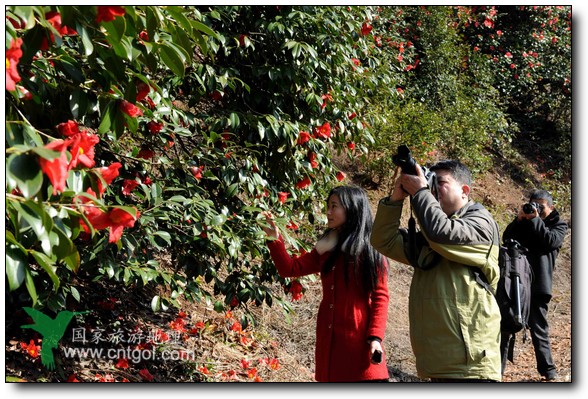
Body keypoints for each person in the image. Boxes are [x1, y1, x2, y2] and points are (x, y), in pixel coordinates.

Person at [370, 160, 502, 382]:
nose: (433, 189)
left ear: (464, 190)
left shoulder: (481, 223)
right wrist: (396, 199)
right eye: (431, 182)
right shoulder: (431, 236)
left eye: (440, 182)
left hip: (471, 365)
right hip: (436, 363)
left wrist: (420, 192)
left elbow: (442, 233)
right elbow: (384, 240)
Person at [262, 185, 390, 382]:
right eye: (328, 206)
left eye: (334, 206)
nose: (328, 212)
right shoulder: (327, 247)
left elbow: (380, 297)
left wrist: (375, 338)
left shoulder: (369, 250)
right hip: (329, 340)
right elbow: (290, 269)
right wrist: (274, 238)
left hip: (358, 341)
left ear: (352, 208)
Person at [501, 189, 568, 381]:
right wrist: (519, 220)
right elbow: (507, 238)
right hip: (517, 280)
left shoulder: (559, 224)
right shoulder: (526, 222)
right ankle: (497, 371)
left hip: (539, 284)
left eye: (541, 206)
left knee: (539, 328)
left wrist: (535, 220)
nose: (537, 209)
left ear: (551, 207)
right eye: (534, 204)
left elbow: (549, 241)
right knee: (506, 323)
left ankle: (548, 371)